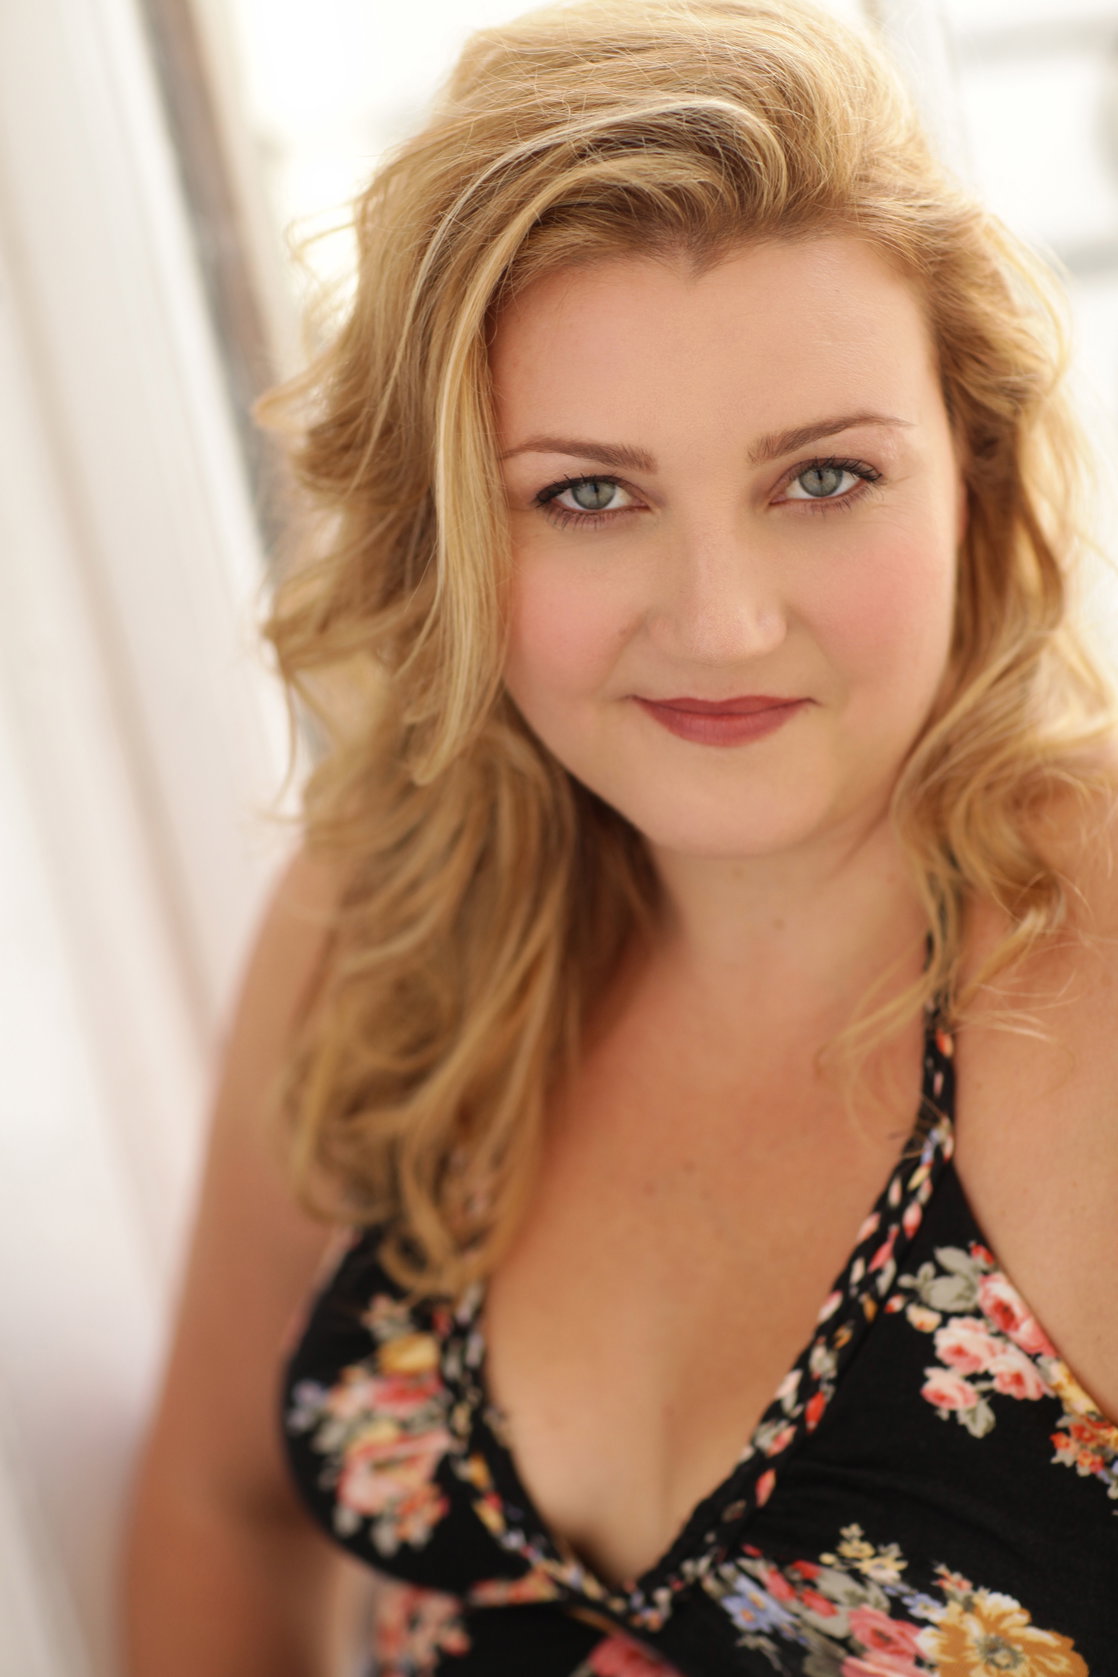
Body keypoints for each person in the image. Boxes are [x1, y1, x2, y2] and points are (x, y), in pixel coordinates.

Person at [121, 1, 1118, 1672]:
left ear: (974, 470)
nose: (721, 623)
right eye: (587, 493)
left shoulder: (1091, 949)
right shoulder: (386, 917)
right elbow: (222, 1511)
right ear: (451, 532)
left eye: (822, 477)